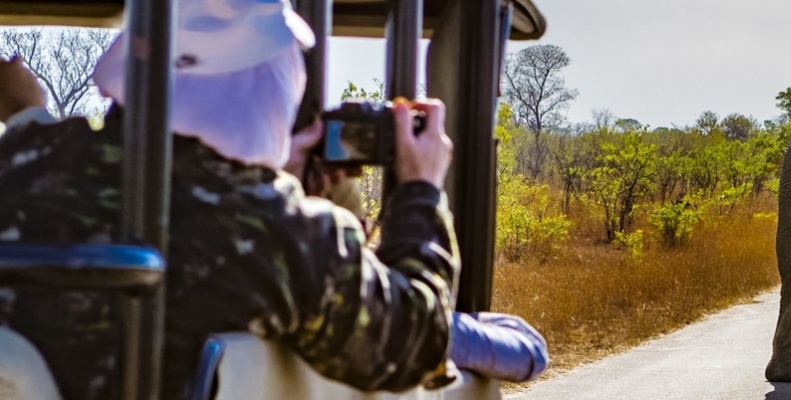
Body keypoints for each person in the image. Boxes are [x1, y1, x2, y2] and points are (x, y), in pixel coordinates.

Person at [0, 0, 520, 398]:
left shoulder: (22, 160)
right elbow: (416, 339)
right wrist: (421, 191)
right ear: (271, 78)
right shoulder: (278, 231)